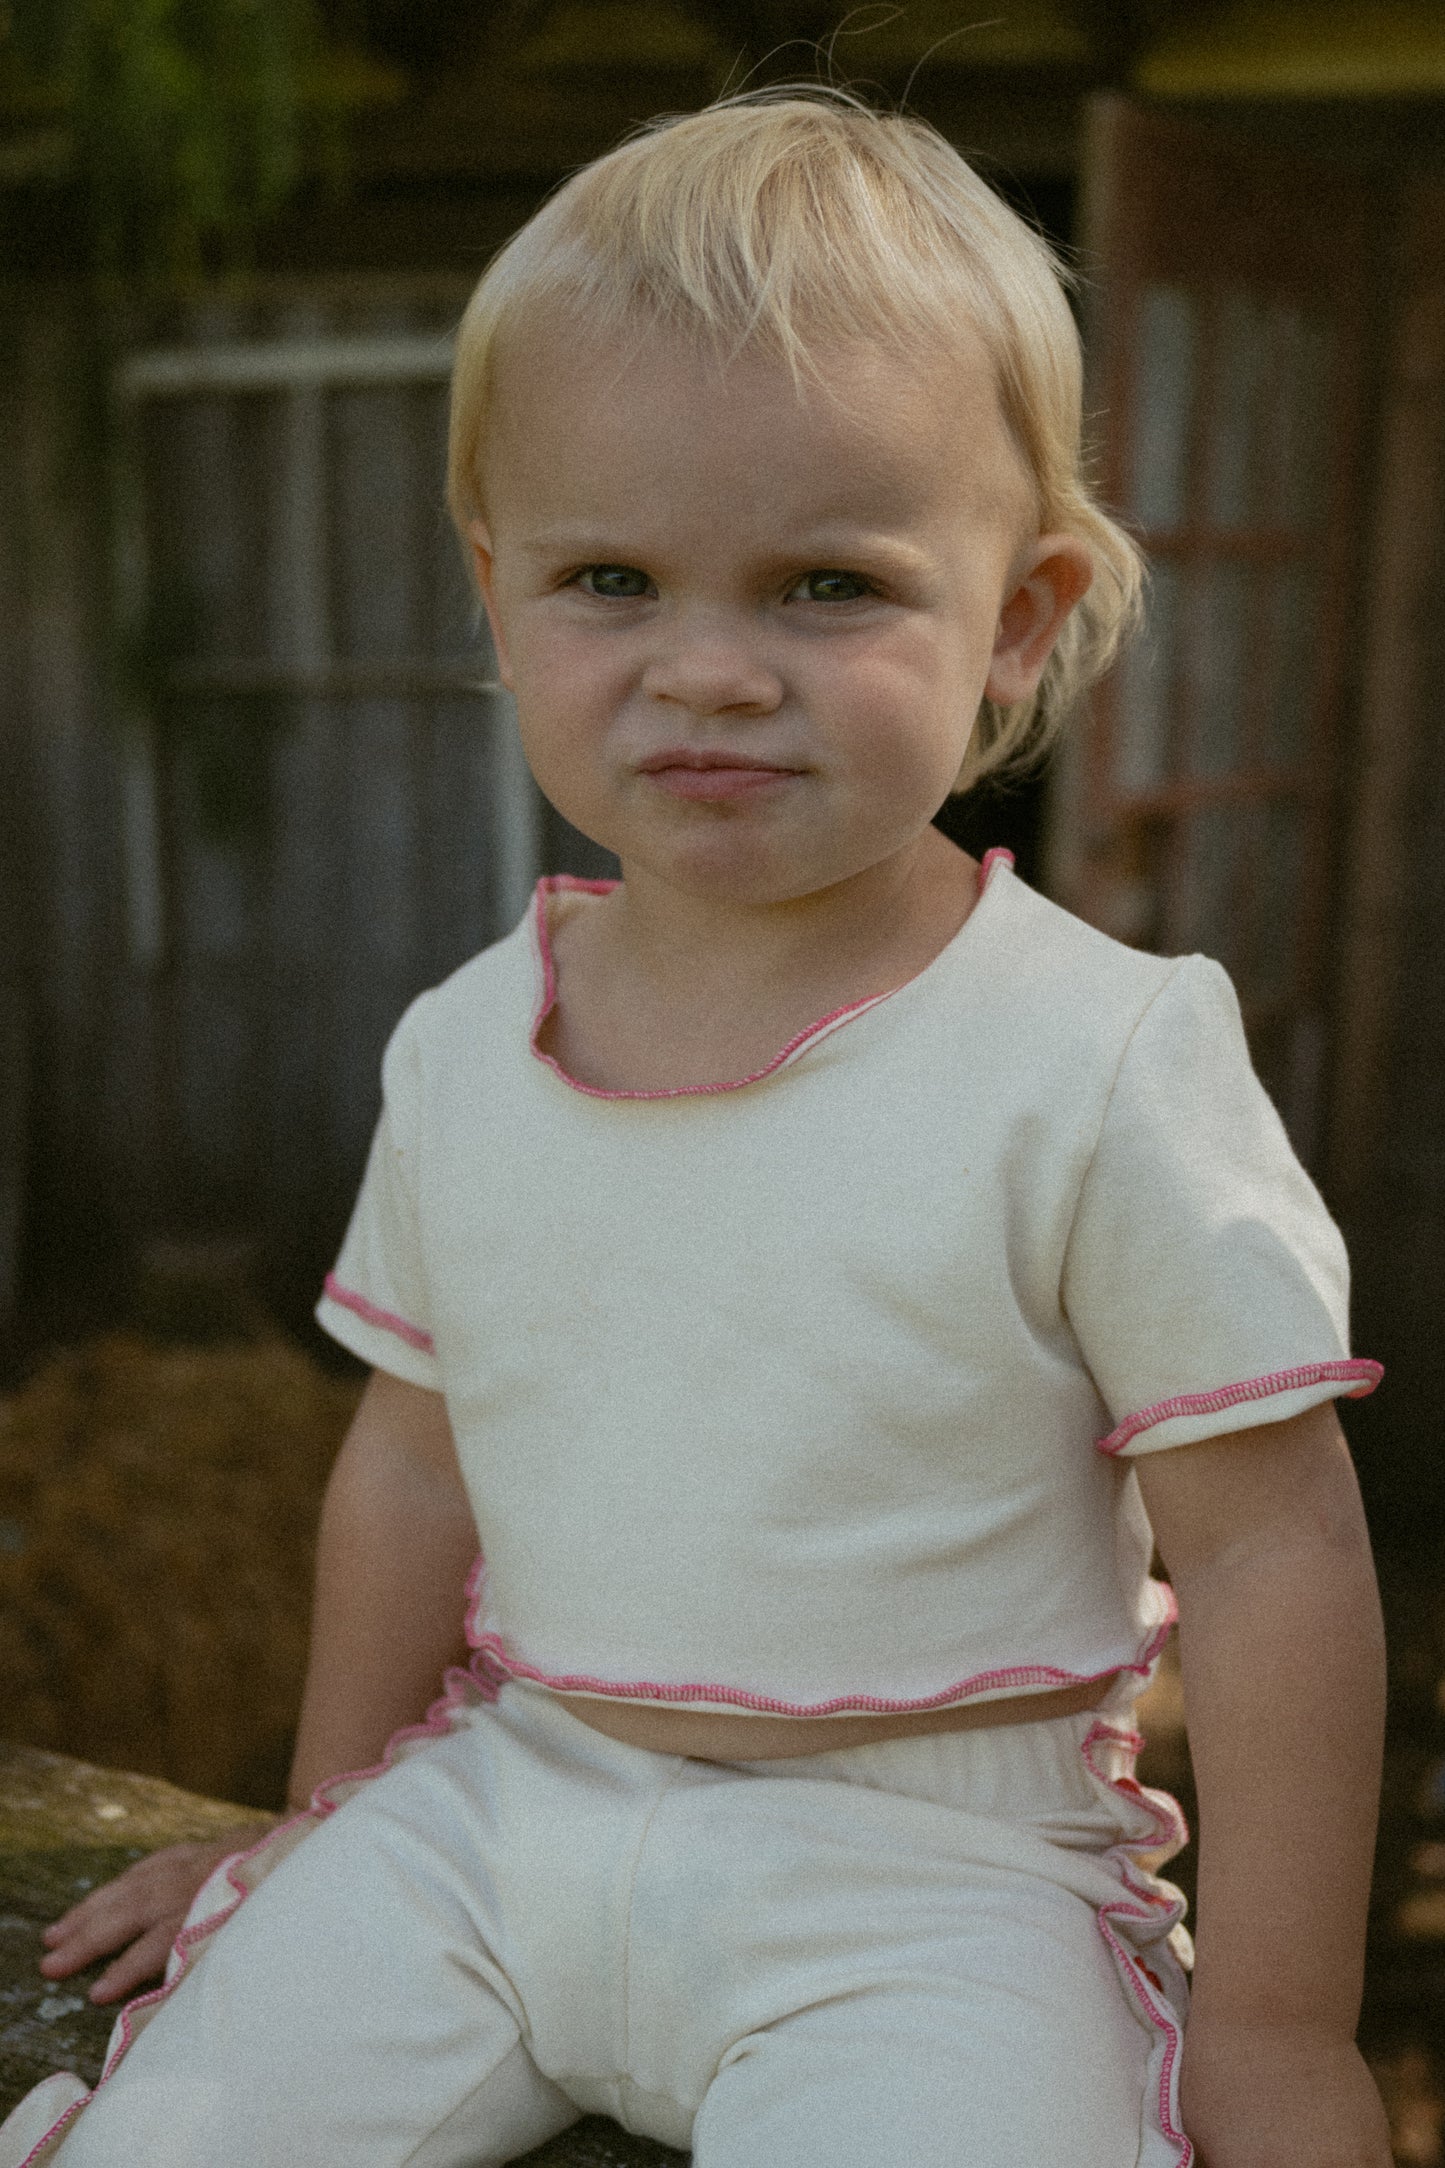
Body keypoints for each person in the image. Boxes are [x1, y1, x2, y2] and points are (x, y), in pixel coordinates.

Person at [5, 89, 1391, 2168]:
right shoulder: (464, 1044)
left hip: (934, 1884)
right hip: (498, 1806)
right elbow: (411, 1461)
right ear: (497, 596)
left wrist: (1280, 2026)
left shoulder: (1096, 1058)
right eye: (613, 579)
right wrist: (315, 1823)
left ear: (1019, 617)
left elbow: (1275, 1548)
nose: (711, 669)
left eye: (826, 584)